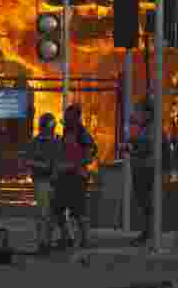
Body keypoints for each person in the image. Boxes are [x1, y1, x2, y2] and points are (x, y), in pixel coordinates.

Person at [53, 104, 98, 249]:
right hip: (65, 176)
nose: (66, 119)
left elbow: (90, 152)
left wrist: (74, 164)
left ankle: (84, 239)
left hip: (77, 177)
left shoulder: (81, 133)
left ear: (76, 118)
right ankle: (67, 237)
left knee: (78, 210)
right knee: (58, 208)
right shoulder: (68, 131)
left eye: (69, 116)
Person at [19, 112, 61, 255]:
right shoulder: (36, 142)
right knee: (43, 214)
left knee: (51, 214)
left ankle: (47, 241)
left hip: (54, 181)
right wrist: (42, 165)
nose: (50, 129)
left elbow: (57, 161)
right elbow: (27, 161)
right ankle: (43, 243)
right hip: (42, 181)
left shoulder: (56, 141)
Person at [120, 101, 156, 246]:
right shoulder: (143, 128)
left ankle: (148, 233)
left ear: (147, 114)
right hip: (141, 168)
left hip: (146, 169)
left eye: (139, 112)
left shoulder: (150, 129)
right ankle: (147, 232)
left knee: (145, 201)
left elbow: (145, 148)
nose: (136, 115)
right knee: (143, 201)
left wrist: (129, 148)